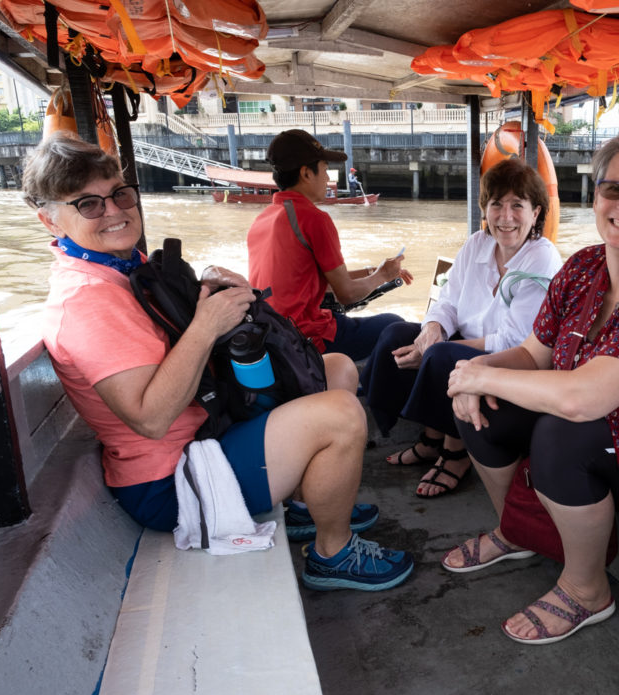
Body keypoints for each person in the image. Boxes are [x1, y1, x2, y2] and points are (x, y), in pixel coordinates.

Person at [29, 131, 413, 592]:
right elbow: (150, 419)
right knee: (343, 414)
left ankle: (312, 505)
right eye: (88, 204)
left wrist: (203, 290)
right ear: (51, 221)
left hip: (205, 432)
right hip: (174, 480)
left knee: (337, 369)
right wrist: (205, 325)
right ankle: (334, 553)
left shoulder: (117, 270)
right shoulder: (88, 300)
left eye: (119, 194)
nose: (114, 211)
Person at [441, 129, 619, 644]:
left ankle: (587, 590)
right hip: (582, 421)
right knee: (481, 403)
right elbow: (534, 356)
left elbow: (586, 399)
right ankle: (515, 528)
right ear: (596, 195)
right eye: (613, 190)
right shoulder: (581, 267)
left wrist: (481, 372)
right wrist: (473, 375)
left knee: (561, 430)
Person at [362, 158, 562, 498]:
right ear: (485, 208)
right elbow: (447, 302)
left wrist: (436, 351)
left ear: (536, 212)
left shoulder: (542, 259)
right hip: (463, 344)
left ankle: (455, 455)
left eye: (518, 205)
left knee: (444, 357)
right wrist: (432, 331)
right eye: (496, 204)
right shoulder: (476, 245)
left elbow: (514, 341)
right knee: (396, 334)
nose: (506, 216)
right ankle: (429, 439)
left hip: (513, 362)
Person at [247, 129, 413, 364]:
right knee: (395, 326)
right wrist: (383, 275)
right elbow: (345, 294)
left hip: (272, 336)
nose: (328, 179)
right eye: (325, 170)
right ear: (306, 173)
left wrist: (374, 272)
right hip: (305, 337)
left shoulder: (263, 218)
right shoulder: (313, 218)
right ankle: (370, 393)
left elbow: (310, 280)